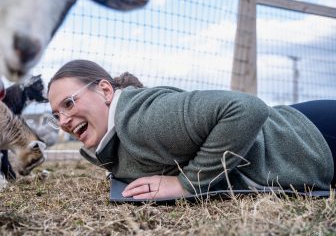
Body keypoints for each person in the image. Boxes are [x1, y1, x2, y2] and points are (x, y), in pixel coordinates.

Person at [47, 59, 335, 200]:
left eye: (69, 103)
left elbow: (247, 108)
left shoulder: (143, 119)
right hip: (302, 130)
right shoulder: (113, 138)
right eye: (56, 114)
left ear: (106, 91)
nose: (63, 121)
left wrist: (187, 183)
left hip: (313, 138)